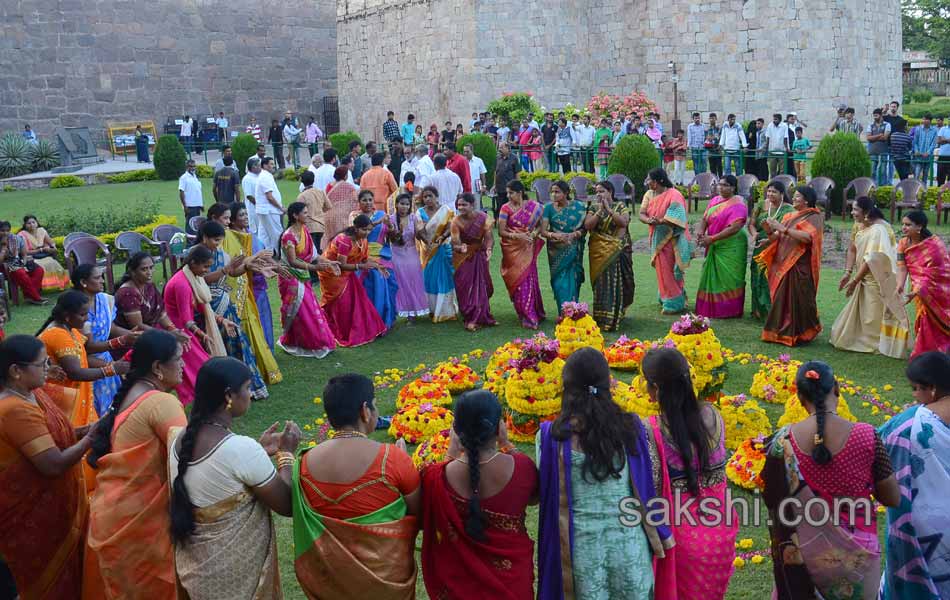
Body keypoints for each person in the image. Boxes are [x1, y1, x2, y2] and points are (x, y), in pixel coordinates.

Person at [537, 347, 672, 600]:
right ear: (607, 383)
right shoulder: (632, 427)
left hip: (583, 556)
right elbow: (647, 482)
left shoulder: (550, 436)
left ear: (567, 388)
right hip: (630, 549)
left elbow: (541, 491)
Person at [762, 361, 899, 600]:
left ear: (800, 396)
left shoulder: (782, 442)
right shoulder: (866, 435)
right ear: (836, 388)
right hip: (858, 561)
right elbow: (892, 497)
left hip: (804, 555)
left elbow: (772, 497)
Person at [169, 357, 301, 598]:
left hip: (198, 575)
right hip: (234, 578)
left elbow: (217, 480)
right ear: (229, 396)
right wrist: (286, 454)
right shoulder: (239, 449)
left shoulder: (178, 440)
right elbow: (286, 503)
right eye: (248, 387)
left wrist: (259, 454)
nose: (250, 394)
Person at [292, 374, 420, 598]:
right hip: (385, 584)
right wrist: (401, 461)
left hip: (331, 583)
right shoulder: (391, 459)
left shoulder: (303, 462)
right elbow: (419, 512)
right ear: (365, 410)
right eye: (375, 404)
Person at [86, 330, 188, 600]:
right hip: (138, 524)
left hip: (115, 513)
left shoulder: (134, 391)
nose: (184, 365)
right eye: (178, 359)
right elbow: (190, 458)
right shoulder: (161, 402)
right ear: (157, 368)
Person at [0, 334, 101, 600]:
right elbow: (52, 464)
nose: (49, 368)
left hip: (57, 508)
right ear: (16, 371)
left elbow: (59, 435)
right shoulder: (13, 409)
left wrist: (86, 430)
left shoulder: (34, 394)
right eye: (42, 364)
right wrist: (91, 439)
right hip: (32, 518)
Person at [421, 389, 537, 599]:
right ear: (499, 428)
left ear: (455, 430)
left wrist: (451, 452)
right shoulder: (522, 468)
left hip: (457, 588)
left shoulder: (434, 477)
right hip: (512, 584)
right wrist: (506, 444)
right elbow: (534, 497)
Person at [642, 347, 737, 600]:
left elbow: (649, 488)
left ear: (655, 390)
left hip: (682, 542)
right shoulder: (713, 415)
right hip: (722, 533)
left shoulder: (651, 430)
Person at [879, 351, 950, 599]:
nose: (913, 395)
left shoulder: (910, 424)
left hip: (929, 531)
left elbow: (873, 449)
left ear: (930, 389)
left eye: (915, 389)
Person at [207, 205, 282, 387]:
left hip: (233, 296)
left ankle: (243, 377)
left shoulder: (231, 238)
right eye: (224, 218)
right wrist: (247, 262)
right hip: (214, 301)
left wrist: (250, 265)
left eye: (227, 218)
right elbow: (207, 277)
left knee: (239, 338)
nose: (226, 222)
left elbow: (234, 271)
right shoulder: (205, 249)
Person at [197, 221, 270, 399]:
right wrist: (225, 270)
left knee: (238, 342)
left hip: (225, 305)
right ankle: (222, 390)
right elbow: (202, 280)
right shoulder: (196, 255)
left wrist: (245, 267)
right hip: (206, 306)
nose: (218, 244)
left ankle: (245, 387)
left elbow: (231, 272)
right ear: (204, 237)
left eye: (220, 240)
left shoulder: (220, 252)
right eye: (215, 240)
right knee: (215, 346)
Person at [36, 291, 127, 432]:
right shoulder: (58, 335)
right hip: (66, 401)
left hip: (77, 398)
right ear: (67, 316)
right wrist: (112, 370)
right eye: (83, 315)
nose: (86, 319)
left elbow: (85, 355)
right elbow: (75, 372)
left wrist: (117, 353)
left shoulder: (69, 330)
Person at [830, 197, 909, 358]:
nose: (852, 213)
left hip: (878, 277)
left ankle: (877, 344)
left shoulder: (880, 229)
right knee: (861, 310)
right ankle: (858, 339)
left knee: (872, 312)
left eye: (855, 210)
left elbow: (871, 259)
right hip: (862, 273)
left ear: (866, 212)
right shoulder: (858, 225)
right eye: (852, 209)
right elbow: (852, 249)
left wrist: (855, 280)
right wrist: (847, 272)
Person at [757, 186, 824, 346]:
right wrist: (768, 233)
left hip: (799, 265)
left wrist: (783, 228)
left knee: (800, 299)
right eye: (793, 196)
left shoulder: (814, 216)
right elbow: (778, 237)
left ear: (806, 200)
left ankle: (801, 333)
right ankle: (777, 333)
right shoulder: (789, 215)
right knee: (781, 298)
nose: (793, 199)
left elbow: (808, 238)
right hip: (783, 263)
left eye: (797, 197)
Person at [71, 264, 137, 415]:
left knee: (113, 409)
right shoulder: (76, 309)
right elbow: (87, 348)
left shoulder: (105, 300)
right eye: (97, 277)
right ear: (83, 282)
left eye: (102, 277)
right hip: (86, 364)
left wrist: (134, 337)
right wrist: (121, 341)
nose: (102, 281)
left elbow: (111, 328)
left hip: (105, 359)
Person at [163, 245, 224, 404]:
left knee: (197, 369)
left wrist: (222, 320)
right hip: (179, 333)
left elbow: (202, 307)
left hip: (184, 331)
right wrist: (202, 335)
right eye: (205, 266)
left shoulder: (192, 277)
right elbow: (186, 320)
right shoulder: (182, 284)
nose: (207, 270)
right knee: (199, 368)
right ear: (193, 263)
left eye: (209, 266)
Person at [276, 202, 338, 358]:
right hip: (291, 279)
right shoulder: (289, 236)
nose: (308, 215)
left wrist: (329, 262)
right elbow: (292, 261)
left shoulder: (304, 231)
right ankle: (298, 342)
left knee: (309, 310)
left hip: (302, 277)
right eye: (304, 212)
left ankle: (310, 341)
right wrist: (314, 269)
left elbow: (314, 255)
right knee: (300, 311)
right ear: (295, 216)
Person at [319, 214, 388, 346]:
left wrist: (377, 265)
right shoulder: (344, 240)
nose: (367, 233)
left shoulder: (363, 240)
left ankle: (353, 329)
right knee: (339, 304)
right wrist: (360, 266)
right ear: (356, 228)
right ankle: (333, 330)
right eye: (364, 230)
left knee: (354, 302)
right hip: (332, 274)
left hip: (347, 274)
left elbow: (364, 259)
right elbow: (341, 265)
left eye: (369, 230)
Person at [897, 210, 950, 356]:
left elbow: (934, 273)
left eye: (908, 225)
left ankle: (930, 352)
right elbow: (902, 268)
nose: (904, 228)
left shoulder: (934, 245)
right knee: (922, 318)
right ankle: (928, 352)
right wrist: (900, 285)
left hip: (936, 290)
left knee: (929, 318)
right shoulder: (903, 243)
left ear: (919, 227)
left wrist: (916, 292)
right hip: (919, 287)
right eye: (903, 224)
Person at [695, 175, 749, 319]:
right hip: (714, 243)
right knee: (711, 274)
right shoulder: (714, 201)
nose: (721, 187)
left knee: (730, 278)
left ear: (733, 187)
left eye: (725, 185)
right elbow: (705, 218)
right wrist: (701, 232)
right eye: (719, 184)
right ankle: (710, 307)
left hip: (732, 245)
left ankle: (728, 309)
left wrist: (711, 239)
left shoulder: (739, 203)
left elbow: (735, 227)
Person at [639, 168, 692, 315]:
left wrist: (661, 221)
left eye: (649, 179)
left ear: (657, 181)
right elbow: (641, 213)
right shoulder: (649, 194)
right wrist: (649, 220)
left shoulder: (674, 194)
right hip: (657, 237)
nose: (647, 182)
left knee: (672, 270)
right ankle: (667, 297)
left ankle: (674, 303)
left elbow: (678, 215)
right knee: (662, 270)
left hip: (673, 238)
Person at [585, 179, 634, 330]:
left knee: (620, 282)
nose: (598, 194)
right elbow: (588, 225)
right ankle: (601, 317)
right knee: (601, 284)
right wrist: (600, 211)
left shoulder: (620, 207)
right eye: (597, 192)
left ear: (610, 192)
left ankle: (616, 314)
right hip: (598, 252)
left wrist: (609, 210)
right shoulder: (593, 208)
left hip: (617, 251)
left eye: (602, 191)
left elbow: (623, 223)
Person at [498, 180, 545, 329]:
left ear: (520, 192)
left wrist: (533, 234)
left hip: (527, 248)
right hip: (512, 250)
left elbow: (539, 227)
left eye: (511, 193)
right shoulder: (505, 208)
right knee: (517, 281)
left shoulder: (534, 207)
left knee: (528, 279)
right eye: (507, 193)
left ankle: (531, 314)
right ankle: (523, 312)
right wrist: (518, 236)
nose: (508, 195)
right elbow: (501, 231)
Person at [229, 203, 276, 349]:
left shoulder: (251, 234)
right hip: (245, 284)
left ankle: (266, 349)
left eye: (246, 214)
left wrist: (275, 266)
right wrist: (256, 258)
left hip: (259, 283)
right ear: (232, 220)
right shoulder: (232, 239)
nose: (245, 218)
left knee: (263, 317)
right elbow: (236, 262)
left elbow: (264, 254)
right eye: (241, 215)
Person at [113, 252, 188, 341]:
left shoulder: (149, 286)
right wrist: (166, 335)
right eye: (144, 269)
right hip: (132, 341)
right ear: (132, 272)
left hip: (151, 334)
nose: (149, 272)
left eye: (151, 268)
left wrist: (173, 329)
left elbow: (161, 314)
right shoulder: (127, 293)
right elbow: (138, 326)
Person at [451, 193, 497, 331]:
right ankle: (470, 317)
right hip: (462, 257)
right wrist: (461, 247)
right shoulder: (456, 221)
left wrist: (488, 248)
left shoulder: (483, 218)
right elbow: (455, 243)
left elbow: (489, 238)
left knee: (482, 285)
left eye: (464, 204)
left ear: (472, 205)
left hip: (480, 255)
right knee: (464, 286)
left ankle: (482, 316)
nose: (461, 207)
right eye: (459, 205)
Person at [748, 181, 794, 319]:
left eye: (774, 192)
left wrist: (769, 238)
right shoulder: (761, 205)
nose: (770, 194)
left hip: (777, 246)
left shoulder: (789, 209)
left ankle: (772, 310)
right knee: (757, 275)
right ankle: (758, 310)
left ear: (781, 194)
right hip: (759, 246)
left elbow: (786, 230)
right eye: (768, 191)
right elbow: (751, 224)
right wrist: (754, 233)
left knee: (772, 276)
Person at [540, 180, 586, 312]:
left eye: (557, 192)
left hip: (574, 248)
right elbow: (543, 231)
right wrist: (555, 236)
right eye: (552, 192)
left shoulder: (579, 207)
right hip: (556, 251)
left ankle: (574, 310)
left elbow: (585, 229)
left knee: (574, 279)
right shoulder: (548, 208)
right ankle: (564, 311)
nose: (554, 195)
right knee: (559, 283)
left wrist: (574, 235)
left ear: (566, 193)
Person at [417, 186, 458, 322]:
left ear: (436, 196)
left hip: (442, 248)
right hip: (427, 250)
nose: (428, 199)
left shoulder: (445, 211)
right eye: (425, 197)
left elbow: (450, 227)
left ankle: (445, 310)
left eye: (430, 196)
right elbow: (419, 230)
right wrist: (428, 242)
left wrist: (441, 238)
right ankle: (431, 309)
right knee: (429, 278)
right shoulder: (419, 212)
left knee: (444, 278)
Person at [386, 193, 429, 320]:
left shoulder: (413, 218)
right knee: (401, 283)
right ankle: (401, 310)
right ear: (396, 205)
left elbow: (419, 234)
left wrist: (427, 238)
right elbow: (391, 238)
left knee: (414, 281)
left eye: (407, 204)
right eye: (402, 203)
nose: (404, 206)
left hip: (411, 253)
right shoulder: (391, 219)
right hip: (396, 254)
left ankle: (413, 312)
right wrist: (397, 233)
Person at [16, 215, 69, 291]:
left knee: (53, 263)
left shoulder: (41, 230)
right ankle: (39, 287)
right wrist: (41, 249)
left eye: (33, 222)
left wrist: (52, 247)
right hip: (31, 258)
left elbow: (51, 242)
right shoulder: (22, 235)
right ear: (25, 225)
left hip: (43, 255)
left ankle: (59, 285)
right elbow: (25, 252)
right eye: (29, 223)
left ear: (37, 222)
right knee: (41, 266)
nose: (32, 225)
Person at [0, 220, 46, 305]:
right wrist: (3, 248)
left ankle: (29, 296)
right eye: (2, 231)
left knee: (39, 270)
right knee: (20, 273)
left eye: (7, 231)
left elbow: (24, 254)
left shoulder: (16, 238)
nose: (5, 233)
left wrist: (24, 263)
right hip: (4, 266)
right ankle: (36, 298)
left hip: (17, 262)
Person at [254, 157, 284, 251]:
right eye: (271, 164)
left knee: (264, 235)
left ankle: (264, 255)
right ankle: (281, 255)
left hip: (265, 210)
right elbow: (269, 197)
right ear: (264, 165)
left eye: (273, 164)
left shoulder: (265, 175)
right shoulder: (265, 177)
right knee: (277, 233)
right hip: (269, 210)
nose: (273, 166)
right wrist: (281, 208)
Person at [180, 159, 205, 236]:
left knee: (196, 226)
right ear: (186, 167)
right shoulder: (184, 178)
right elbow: (181, 192)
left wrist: (201, 205)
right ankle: (189, 244)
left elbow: (197, 192)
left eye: (194, 166)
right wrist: (185, 206)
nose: (193, 168)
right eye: (190, 166)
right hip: (190, 207)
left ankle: (194, 243)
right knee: (190, 226)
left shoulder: (194, 177)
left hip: (197, 206)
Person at [242, 157, 262, 236]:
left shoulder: (258, 176)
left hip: (260, 208)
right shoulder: (247, 179)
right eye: (259, 166)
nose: (261, 167)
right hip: (253, 209)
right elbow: (249, 196)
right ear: (254, 167)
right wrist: (260, 204)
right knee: (255, 231)